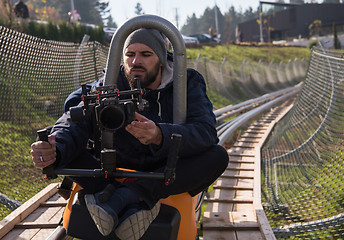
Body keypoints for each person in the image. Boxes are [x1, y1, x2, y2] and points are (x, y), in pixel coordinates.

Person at [30, 28, 229, 239]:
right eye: (130, 54)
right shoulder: (108, 83)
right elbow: (72, 122)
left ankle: (123, 197)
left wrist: (160, 135)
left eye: (146, 54)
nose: (135, 62)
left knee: (217, 156)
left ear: (161, 59)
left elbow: (205, 131)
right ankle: (119, 194)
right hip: (114, 166)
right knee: (62, 144)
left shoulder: (187, 82)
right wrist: (54, 148)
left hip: (164, 166)